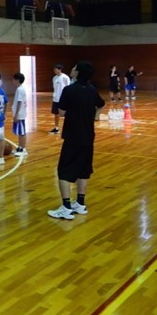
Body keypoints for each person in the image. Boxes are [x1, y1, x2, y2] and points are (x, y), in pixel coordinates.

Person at [48, 61, 106, 220]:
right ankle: (80, 204)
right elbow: (101, 104)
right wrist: (95, 116)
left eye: (74, 68)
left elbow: (61, 112)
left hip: (73, 135)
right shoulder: (92, 89)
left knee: (64, 170)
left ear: (77, 72)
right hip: (88, 136)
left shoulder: (69, 90)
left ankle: (66, 207)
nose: (71, 69)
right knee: (83, 169)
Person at [49, 64, 71, 134]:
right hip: (56, 99)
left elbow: (69, 88)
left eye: (56, 69)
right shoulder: (54, 78)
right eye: (54, 69)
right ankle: (56, 128)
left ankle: (69, 128)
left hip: (63, 99)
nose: (54, 70)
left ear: (60, 69)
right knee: (56, 114)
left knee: (66, 114)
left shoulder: (65, 77)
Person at [12, 72, 28, 156]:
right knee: (20, 132)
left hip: (20, 115)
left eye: (14, 79)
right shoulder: (20, 89)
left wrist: (16, 115)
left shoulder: (20, 89)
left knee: (22, 132)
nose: (13, 81)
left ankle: (23, 149)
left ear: (17, 80)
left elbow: (19, 102)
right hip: (20, 114)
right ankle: (20, 147)